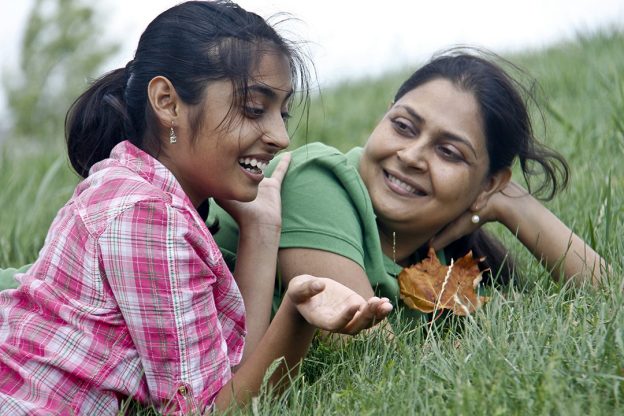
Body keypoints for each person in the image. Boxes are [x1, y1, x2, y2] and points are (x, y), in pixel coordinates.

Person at [0, 1, 392, 414]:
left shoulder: (139, 192)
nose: (279, 136)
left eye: (282, 112)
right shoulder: (146, 215)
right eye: (254, 109)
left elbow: (231, 377)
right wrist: (296, 316)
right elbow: (209, 411)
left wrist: (261, 230)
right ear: (168, 102)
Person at [213, 50, 610, 321]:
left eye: (449, 152)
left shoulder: (438, 262)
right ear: (384, 117)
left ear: (489, 183)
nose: (412, 156)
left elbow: (609, 300)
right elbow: (366, 351)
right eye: (403, 127)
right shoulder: (318, 180)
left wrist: (515, 205)